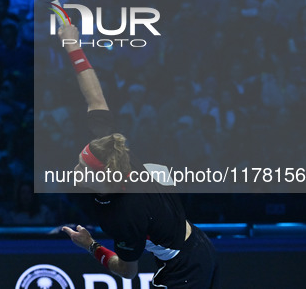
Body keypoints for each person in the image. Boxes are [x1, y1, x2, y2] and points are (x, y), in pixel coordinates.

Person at [57, 22, 219, 287]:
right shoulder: (114, 151)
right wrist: (72, 45)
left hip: (185, 269)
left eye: (82, 166)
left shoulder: (123, 214)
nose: (75, 169)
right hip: (196, 247)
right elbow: (94, 97)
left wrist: (90, 246)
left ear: (103, 176)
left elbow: (128, 271)